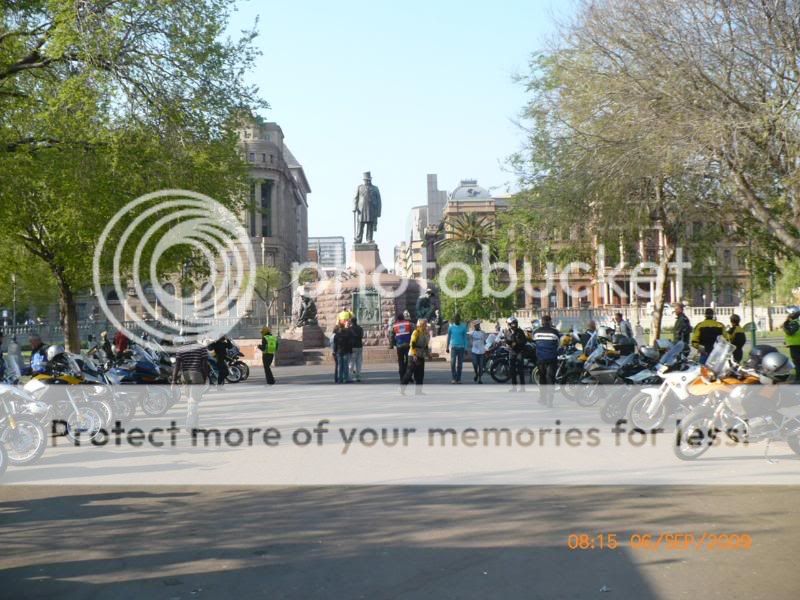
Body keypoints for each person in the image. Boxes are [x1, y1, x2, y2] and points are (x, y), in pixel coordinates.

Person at [171, 338, 210, 430]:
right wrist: (205, 378)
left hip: (185, 377)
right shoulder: (201, 348)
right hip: (197, 376)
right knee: (194, 403)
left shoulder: (181, 349)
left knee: (190, 402)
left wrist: (173, 381)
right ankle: (190, 425)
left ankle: (195, 425)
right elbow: (204, 365)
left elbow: (177, 366)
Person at [533, 315, 561, 406]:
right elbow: (558, 344)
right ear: (550, 321)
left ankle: (542, 398)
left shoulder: (536, 332)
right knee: (550, 379)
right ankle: (550, 401)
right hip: (552, 359)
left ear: (542, 322)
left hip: (541, 359)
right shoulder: (555, 332)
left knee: (542, 379)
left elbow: (535, 343)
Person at [401, 319, 430, 394]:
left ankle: (418, 391)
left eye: (426, 324)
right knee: (409, 372)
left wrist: (428, 354)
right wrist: (414, 354)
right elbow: (412, 343)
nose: (426, 326)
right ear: (420, 325)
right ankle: (402, 389)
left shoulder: (425, 333)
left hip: (421, 354)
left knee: (420, 374)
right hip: (413, 355)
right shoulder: (416, 332)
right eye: (424, 324)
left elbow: (426, 345)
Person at [504, 317, 529, 392]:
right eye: (512, 324)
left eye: (515, 323)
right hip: (511, 352)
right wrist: (508, 344)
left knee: (520, 370)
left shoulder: (520, 331)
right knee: (512, 370)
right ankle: (514, 387)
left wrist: (517, 343)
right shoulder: (506, 332)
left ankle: (522, 388)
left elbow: (524, 341)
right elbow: (506, 340)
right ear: (509, 324)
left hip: (519, 352)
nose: (514, 325)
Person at [389, 312, 413, 381]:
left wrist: (392, 344)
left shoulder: (394, 326)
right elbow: (413, 333)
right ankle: (408, 375)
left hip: (399, 346)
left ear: (397, 319)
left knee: (400, 361)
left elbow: (391, 336)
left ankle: (402, 376)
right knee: (408, 361)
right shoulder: (409, 324)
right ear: (403, 318)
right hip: (408, 345)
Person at [446, 313, 468, 384]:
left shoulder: (463, 327)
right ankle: (454, 378)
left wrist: (466, 348)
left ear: (459, 319)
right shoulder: (451, 327)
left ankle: (458, 379)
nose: (456, 319)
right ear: (453, 319)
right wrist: (447, 347)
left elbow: (465, 338)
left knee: (460, 364)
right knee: (452, 363)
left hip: (461, 348)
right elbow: (448, 337)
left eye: (457, 318)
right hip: (453, 347)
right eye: (455, 318)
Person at [783, 308, 800, 381]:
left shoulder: (795, 323)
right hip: (796, 344)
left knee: (797, 362)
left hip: (796, 345)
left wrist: (785, 324)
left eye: (789, 314)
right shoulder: (797, 322)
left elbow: (790, 332)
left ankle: (798, 378)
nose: (788, 315)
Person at [349, 317, 364, 382]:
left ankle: (350, 376)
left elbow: (348, 338)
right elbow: (361, 336)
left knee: (351, 363)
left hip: (352, 347)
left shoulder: (349, 329)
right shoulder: (360, 328)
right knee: (359, 363)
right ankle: (358, 377)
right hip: (359, 346)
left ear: (351, 322)